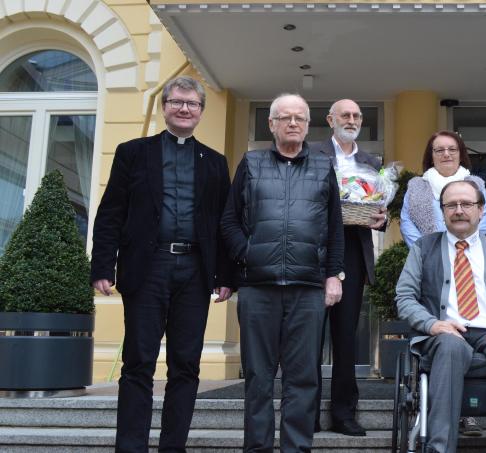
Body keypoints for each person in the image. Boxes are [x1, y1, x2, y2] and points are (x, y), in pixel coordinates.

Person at [90, 75, 234, 452]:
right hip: (147, 268)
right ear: (164, 106)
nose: (185, 109)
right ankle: (131, 447)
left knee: (186, 366)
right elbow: (111, 214)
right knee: (138, 362)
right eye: (177, 102)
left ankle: (173, 447)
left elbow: (224, 223)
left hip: (195, 273)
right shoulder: (133, 152)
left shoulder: (216, 163)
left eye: (193, 104)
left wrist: (225, 274)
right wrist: (103, 265)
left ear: (201, 112)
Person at [219, 93, 345, 452]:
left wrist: (334, 274)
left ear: (308, 126)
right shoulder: (252, 162)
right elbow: (229, 220)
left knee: (303, 378)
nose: (293, 123)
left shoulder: (323, 166)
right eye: (285, 117)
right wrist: (249, 254)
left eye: (300, 118)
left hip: (307, 289)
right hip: (258, 288)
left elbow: (334, 227)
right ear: (271, 124)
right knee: (258, 378)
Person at [396, 179, 486, 453]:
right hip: (443, 333)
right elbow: (405, 297)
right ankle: (439, 448)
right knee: (450, 346)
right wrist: (433, 324)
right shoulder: (423, 248)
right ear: (442, 211)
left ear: (481, 209)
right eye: (451, 205)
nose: (459, 210)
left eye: (466, 204)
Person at [312, 99, 387, 436]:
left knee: (345, 338)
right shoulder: (312, 154)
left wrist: (381, 218)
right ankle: (306, 412)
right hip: (313, 255)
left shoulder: (371, 162)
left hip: (353, 255)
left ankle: (344, 413)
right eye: (346, 115)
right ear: (331, 120)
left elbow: (380, 210)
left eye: (357, 115)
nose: (352, 120)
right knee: (309, 339)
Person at [400, 130, 486, 248]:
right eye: (439, 150)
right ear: (431, 157)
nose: (446, 154)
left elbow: (483, 222)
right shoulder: (416, 186)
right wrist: (424, 251)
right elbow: (407, 223)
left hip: (468, 254)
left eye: (452, 149)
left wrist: (464, 250)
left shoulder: (476, 185)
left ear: (461, 155)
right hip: (428, 257)